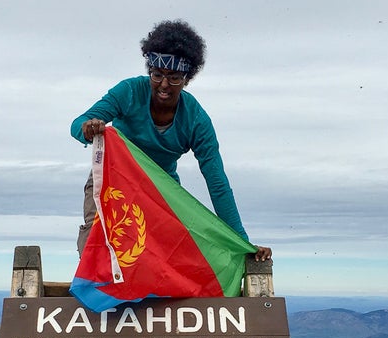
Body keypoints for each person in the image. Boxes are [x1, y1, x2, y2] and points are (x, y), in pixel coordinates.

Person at [71, 19, 271, 262]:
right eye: (157, 75)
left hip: (161, 188)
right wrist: (89, 128)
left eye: (174, 77)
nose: (163, 85)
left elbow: (217, 182)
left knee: (167, 251)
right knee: (99, 238)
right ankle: (93, 290)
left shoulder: (196, 119)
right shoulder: (130, 91)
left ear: (187, 79)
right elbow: (78, 124)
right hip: (113, 179)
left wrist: (242, 241)